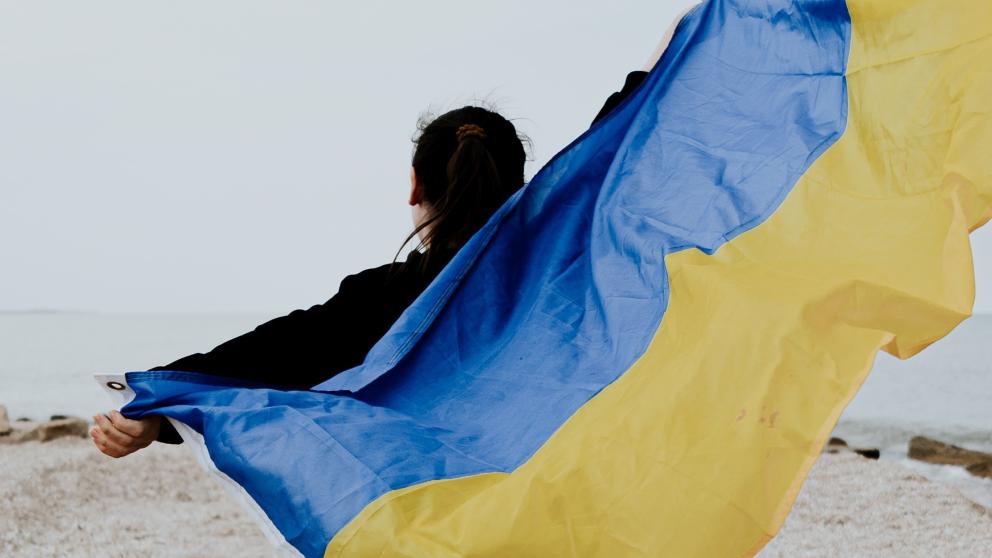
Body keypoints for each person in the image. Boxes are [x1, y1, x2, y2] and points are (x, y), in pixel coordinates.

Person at [89, 68, 655, 458]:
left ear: (415, 187)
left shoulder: (382, 298)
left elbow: (265, 355)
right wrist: (692, 35)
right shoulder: (561, 264)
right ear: (518, 187)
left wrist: (155, 408)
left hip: (437, 519)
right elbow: (621, 140)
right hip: (559, 498)